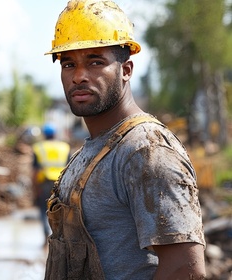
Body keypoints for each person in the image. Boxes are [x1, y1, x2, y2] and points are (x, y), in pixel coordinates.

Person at [43, 0, 206, 279]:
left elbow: (185, 269)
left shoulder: (146, 150)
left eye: (96, 62)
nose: (79, 76)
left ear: (126, 70)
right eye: (69, 64)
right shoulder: (92, 150)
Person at [31, 123, 71, 243]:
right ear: (55, 134)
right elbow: (70, 168)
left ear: (44, 134)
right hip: (61, 183)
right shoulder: (65, 147)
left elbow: (35, 171)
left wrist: (34, 188)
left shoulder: (39, 147)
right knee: (61, 211)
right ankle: (59, 236)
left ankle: (45, 235)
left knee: (43, 209)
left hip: (44, 183)